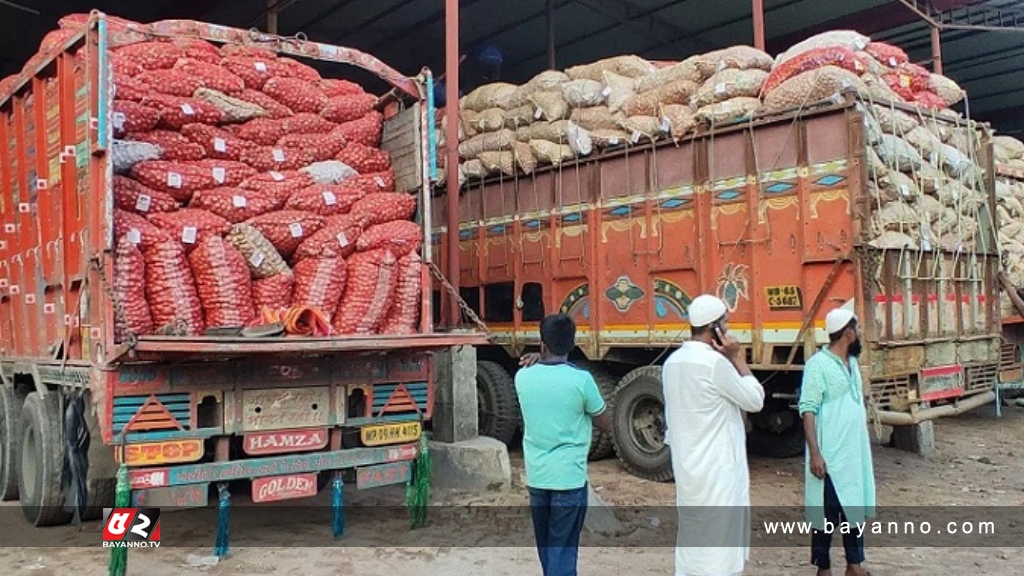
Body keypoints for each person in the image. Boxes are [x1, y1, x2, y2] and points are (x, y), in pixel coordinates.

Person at [662, 294, 765, 576]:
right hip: (717, 470)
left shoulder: (672, 363)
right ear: (715, 330)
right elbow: (755, 400)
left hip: (688, 467)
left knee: (694, 536)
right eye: (726, 324)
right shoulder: (714, 364)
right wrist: (738, 359)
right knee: (719, 548)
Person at [515, 313, 612, 576]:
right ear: (572, 345)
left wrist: (537, 359)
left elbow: (542, 374)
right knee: (564, 549)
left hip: (537, 477)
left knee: (547, 548)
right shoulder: (582, 381)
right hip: (569, 479)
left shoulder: (522, 378)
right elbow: (606, 421)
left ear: (541, 344)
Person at [798, 307, 876, 576]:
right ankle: (824, 567)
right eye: (858, 330)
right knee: (827, 514)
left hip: (853, 454)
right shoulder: (817, 365)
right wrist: (815, 454)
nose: (860, 335)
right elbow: (808, 410)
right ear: (848, 333)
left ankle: (854, 564)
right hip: (830, 453)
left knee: (853, 508)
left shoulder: (852, 364)